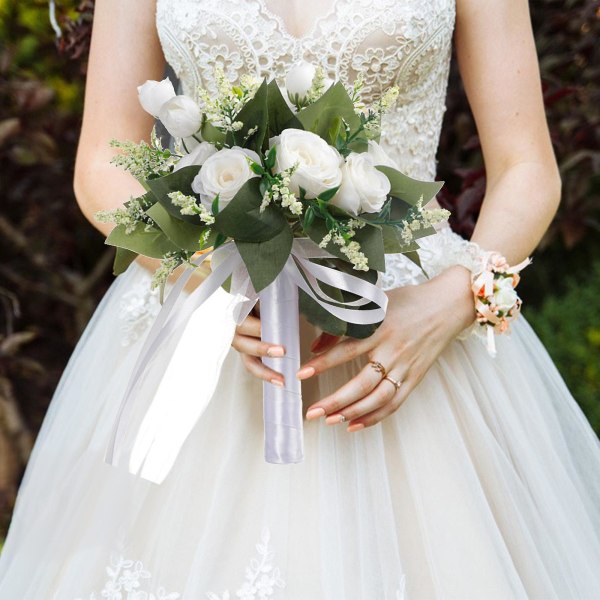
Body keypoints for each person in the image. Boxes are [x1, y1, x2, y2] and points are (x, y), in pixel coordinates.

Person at [1, 0, 600, 597]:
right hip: (213, 317)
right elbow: (103, 163)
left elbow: (527, 166)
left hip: (410, 324)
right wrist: (203, 281)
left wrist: (451, 303)